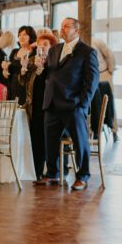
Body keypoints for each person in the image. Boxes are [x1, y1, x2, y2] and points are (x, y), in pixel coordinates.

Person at [38, 18, 99, 191]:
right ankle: (52, 173)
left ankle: (83, 176)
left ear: (76, 31)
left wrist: (82, 104)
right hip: (52, 103)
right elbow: (49, 76)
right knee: (50, 141)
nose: (62, 29)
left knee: (80, 142)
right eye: (62, 26)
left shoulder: (87, 52)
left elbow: (92, 81)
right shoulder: (55, 49)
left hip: (73, 105)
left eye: (66, 26)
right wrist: (41, 69)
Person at [21, 32, 57, 179]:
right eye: (40, 44)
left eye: (45, 44)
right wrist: (24, 69)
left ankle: (48, 170)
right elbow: (23, 81)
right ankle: (35, 171)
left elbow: (51, 82)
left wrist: (42, 69)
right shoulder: (33, 60)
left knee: (44, 140)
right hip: (34, 105)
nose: (42, 47)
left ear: (52, 47)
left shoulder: (54, 62)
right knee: (34, 139)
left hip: (48, 106)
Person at [91, 37, 117, 140]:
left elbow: (109, 55)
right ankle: (96, 130)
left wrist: (110, 71)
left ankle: (114, 130)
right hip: (92, 77)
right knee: (95, 104)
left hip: (104, 74)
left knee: (109, 102)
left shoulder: (97, 41)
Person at [6, 26, 37, 105]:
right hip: (13, 85)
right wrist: (5, 69)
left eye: (24, 35)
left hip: (27, 86)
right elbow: (9, 70)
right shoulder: (14, 51)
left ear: (31, 36)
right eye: (19, 35)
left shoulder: (35, 52)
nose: (21, 37)